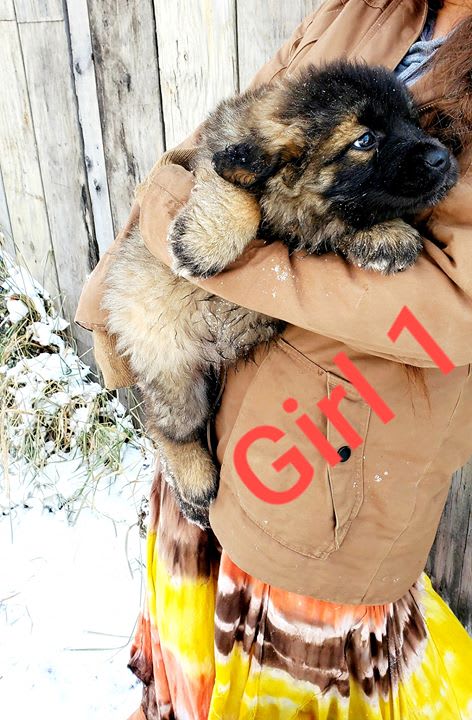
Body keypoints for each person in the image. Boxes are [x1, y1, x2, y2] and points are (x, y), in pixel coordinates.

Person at [75, 1, 472, 717]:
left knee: (284, 677)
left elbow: (456, 307)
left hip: (328, 444)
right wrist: (124, 284)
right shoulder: (367, 7)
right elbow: (232, 139)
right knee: (199, 641)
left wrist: (226, 261)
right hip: (218, 401)